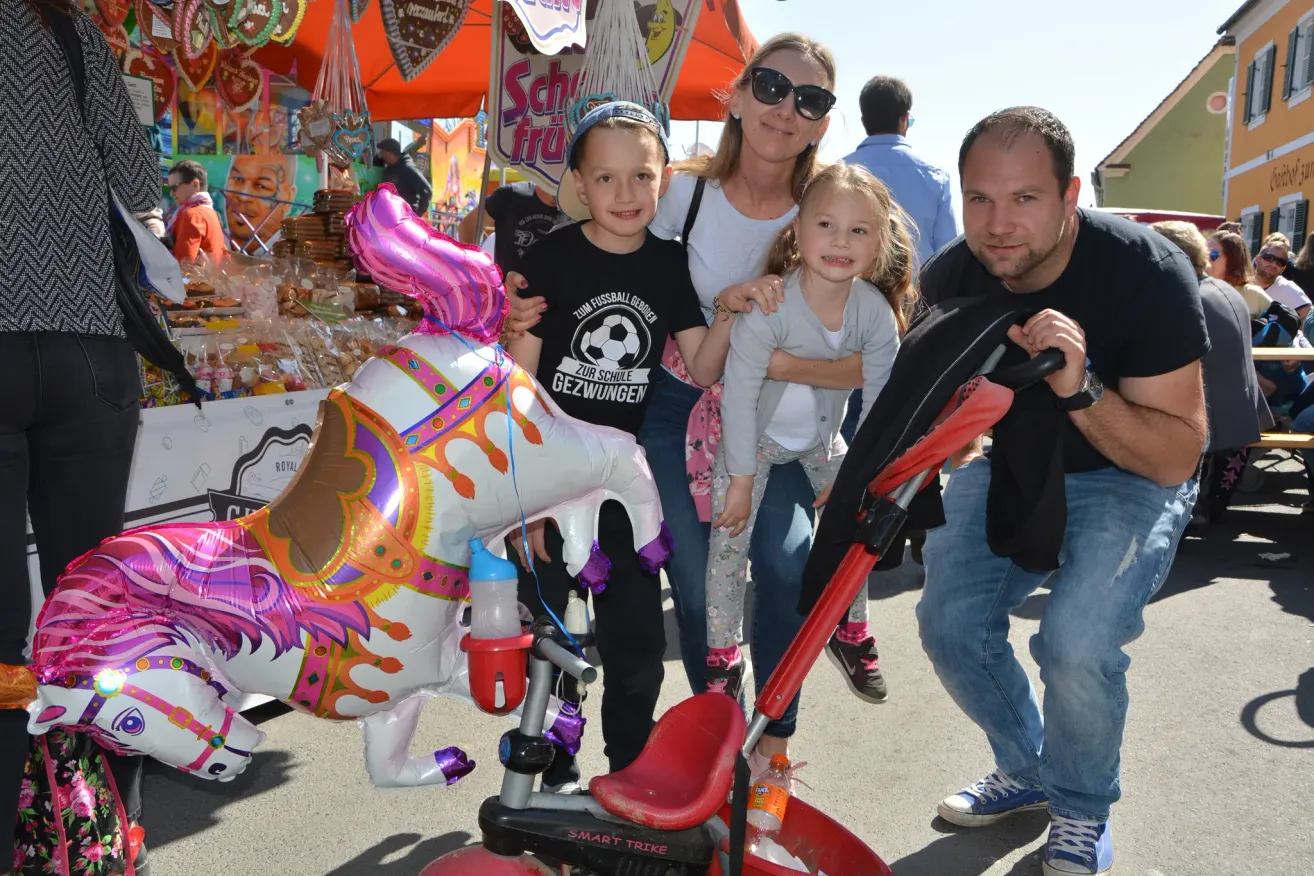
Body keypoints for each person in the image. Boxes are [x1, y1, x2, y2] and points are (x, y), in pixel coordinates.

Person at [505, 34, 846, 770]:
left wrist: (730, 313)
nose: (627, 195)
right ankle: (546, 779)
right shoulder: (633, 221)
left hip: (679, 456)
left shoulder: (822, 211)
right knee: (585, 626)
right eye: (771, 87)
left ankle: (663, 767)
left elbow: (710, 349)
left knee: (661, 629)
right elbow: (519, 380)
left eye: (810, 99)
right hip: (585, 459)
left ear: (825, 119)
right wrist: (520, 489)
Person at [917, 108, 1208, 876]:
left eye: (1025, 198)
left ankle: (1080, 808)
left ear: (1070, 194)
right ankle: (1029, 768)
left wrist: (1080, 388)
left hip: (1133, 471)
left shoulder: (1146, 272)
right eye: (980, 198)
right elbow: (926, 406)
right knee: (949, 625)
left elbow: (1179, 453)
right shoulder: (951, 276)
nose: (998, 224)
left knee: (1077, 642)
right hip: (1018, 462)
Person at [1, 2, 162, 873]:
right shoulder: (67, 30)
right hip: (86, 349)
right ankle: (107, 836)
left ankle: (13, 841)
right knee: (94, 615)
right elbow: (140, 182)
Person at [704, 163, 911, 705]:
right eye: (827, 225)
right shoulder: (771, 304)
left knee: (862, 521)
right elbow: (741, 394)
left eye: (859, 231)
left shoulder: (873, 313)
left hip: (825, 443)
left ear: (878, 244)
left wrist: (861, 482)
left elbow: (883, 401)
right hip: (752, 442)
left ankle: (851, 630)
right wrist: (743, 479)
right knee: (729, 538)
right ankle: (723, 652)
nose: (841, 241)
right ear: (798, 229)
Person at [1151, 221, 1269, 526]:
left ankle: (1185, 512)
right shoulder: (1222, 289)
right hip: (1241, 411)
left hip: (1211, 421)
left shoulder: (1186, 297)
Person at [843, 75, 957, 264]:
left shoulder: (836, 173)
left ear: (864, 120)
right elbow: (948, 251)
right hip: (920, 291)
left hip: (851, 290)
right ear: (903, 120)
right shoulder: (936, 177)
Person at [458, 182, 567, 278]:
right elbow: (468, 226)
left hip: (556, 298)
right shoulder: (512, 195)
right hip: (507, 296)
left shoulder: (576, 209)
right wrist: (476, 270)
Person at [224, 153, 298, 255]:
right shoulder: (209, 241)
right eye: (238, 179)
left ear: (288, 198)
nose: (243, 197)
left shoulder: (296, 255)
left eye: (261, 186)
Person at [167, 159, 227, 265]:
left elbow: (184, 265)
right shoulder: (211, 212)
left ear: (195, 185)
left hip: (195, 280)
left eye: (174, 187)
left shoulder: (192, 215)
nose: (171, 193)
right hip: (212, 279)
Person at [1207, 230, 1271, 316]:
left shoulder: (1254, 294)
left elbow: (1285, 324)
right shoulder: (1199, 290)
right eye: (1204, 254)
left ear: (1232, 260)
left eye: (1213, 255)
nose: (1206, 260)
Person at [1253, 232, 1311, 321]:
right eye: (1269, 258)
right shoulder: (1240, 283)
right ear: (1257, 259)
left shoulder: (1287, 288)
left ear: (1283, 268)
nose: (1273, 264)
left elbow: (1309, 318)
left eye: (1280, 262)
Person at [377, 137, 433, 219]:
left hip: (406, 218)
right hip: (390, 217)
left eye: (382, 153)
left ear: (388, 154)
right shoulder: (389, 169)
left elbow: (426, 190)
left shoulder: (408, 169)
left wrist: (416, 214)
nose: (381, 156)